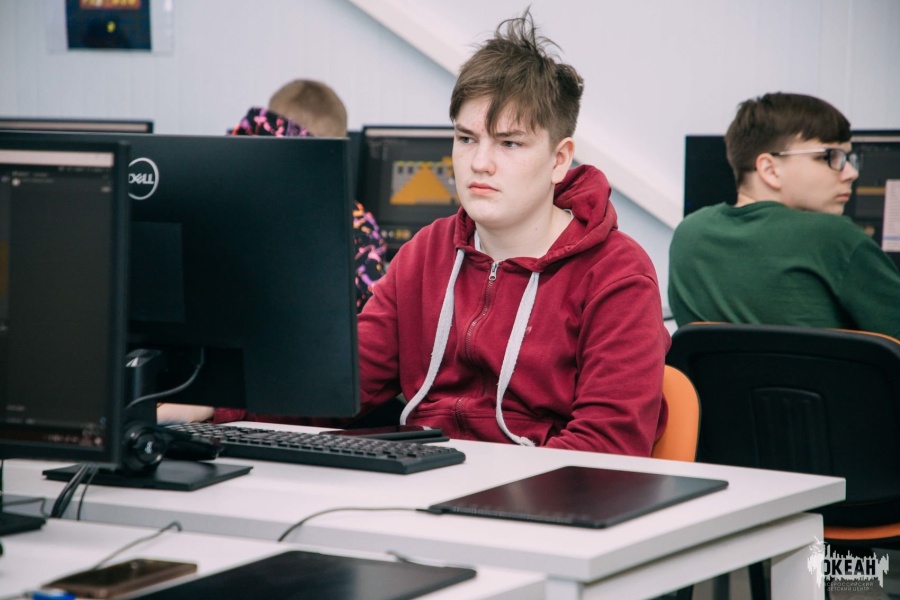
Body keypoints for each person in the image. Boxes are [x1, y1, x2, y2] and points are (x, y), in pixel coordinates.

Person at [351, 9, 668, 455]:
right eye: (466, 139)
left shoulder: (616, 273)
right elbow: (337, 390)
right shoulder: (426, 252)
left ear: (559, 160)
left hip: (540, 492)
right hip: (423, 477)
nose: (479, 163)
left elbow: (608, 447)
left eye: (509, 143)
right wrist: (241, 409)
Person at [157, 79, 387, 426]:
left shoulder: (205, 179)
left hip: (180, 383)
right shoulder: (349, 223)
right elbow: (356, 340)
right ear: (337, 151)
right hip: (288, 398)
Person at [668, 92, 900, 339]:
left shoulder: (688, 234)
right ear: (770, 169)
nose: (851, 173)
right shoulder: (836, 238)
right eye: (830, 156)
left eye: (848, 159)